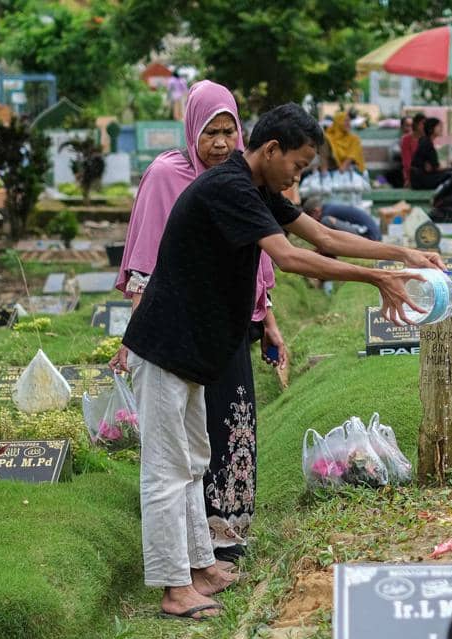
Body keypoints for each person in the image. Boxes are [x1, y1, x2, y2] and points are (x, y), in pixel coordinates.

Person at [121, 102, 444, 620]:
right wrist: (377, 279)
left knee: (195, 460)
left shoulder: (256, 190)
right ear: (271, 150)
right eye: (297, 165)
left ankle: (200, 566)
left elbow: (325, 237)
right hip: (165, 345)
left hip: (192, 347)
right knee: (166, 469)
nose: (298, 176)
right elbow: (290, 259)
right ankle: (172, 586)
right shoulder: (230, 188)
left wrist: (401, 256)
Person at [113, 80, 280, 564]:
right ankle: (184, 557)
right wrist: (134, 338)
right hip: (178, 329)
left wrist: (268, 317)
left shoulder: (243, 181)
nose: (222, 143)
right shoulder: (168, 176)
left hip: (229, 322)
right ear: (191, 131)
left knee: (232, 423)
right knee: (180, 447)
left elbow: (264, 254)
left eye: (230, 131)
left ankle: (225, 535)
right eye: (211, 132)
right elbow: (146, 261)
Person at [301, 195, 382, 240]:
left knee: (326, 221)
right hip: (369, 232)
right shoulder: (328, 208)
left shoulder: (327, 212)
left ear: (316, 211)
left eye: (311, 217)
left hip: (369, 234)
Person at [409, 117, 452, 190]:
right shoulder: (427, 144)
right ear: (431, 128)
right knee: (451, 173)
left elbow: (430, 166)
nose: (441, 129)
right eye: (439, 126)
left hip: (417, 179)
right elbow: (436, 167)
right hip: (421, 180)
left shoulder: (424, 140)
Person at [400, 112, 425, 187]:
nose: (410, 128)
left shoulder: (423, 139)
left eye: (412, 126)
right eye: (407, 126)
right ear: (401, 127)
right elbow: (406, 163)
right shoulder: (405, 139)